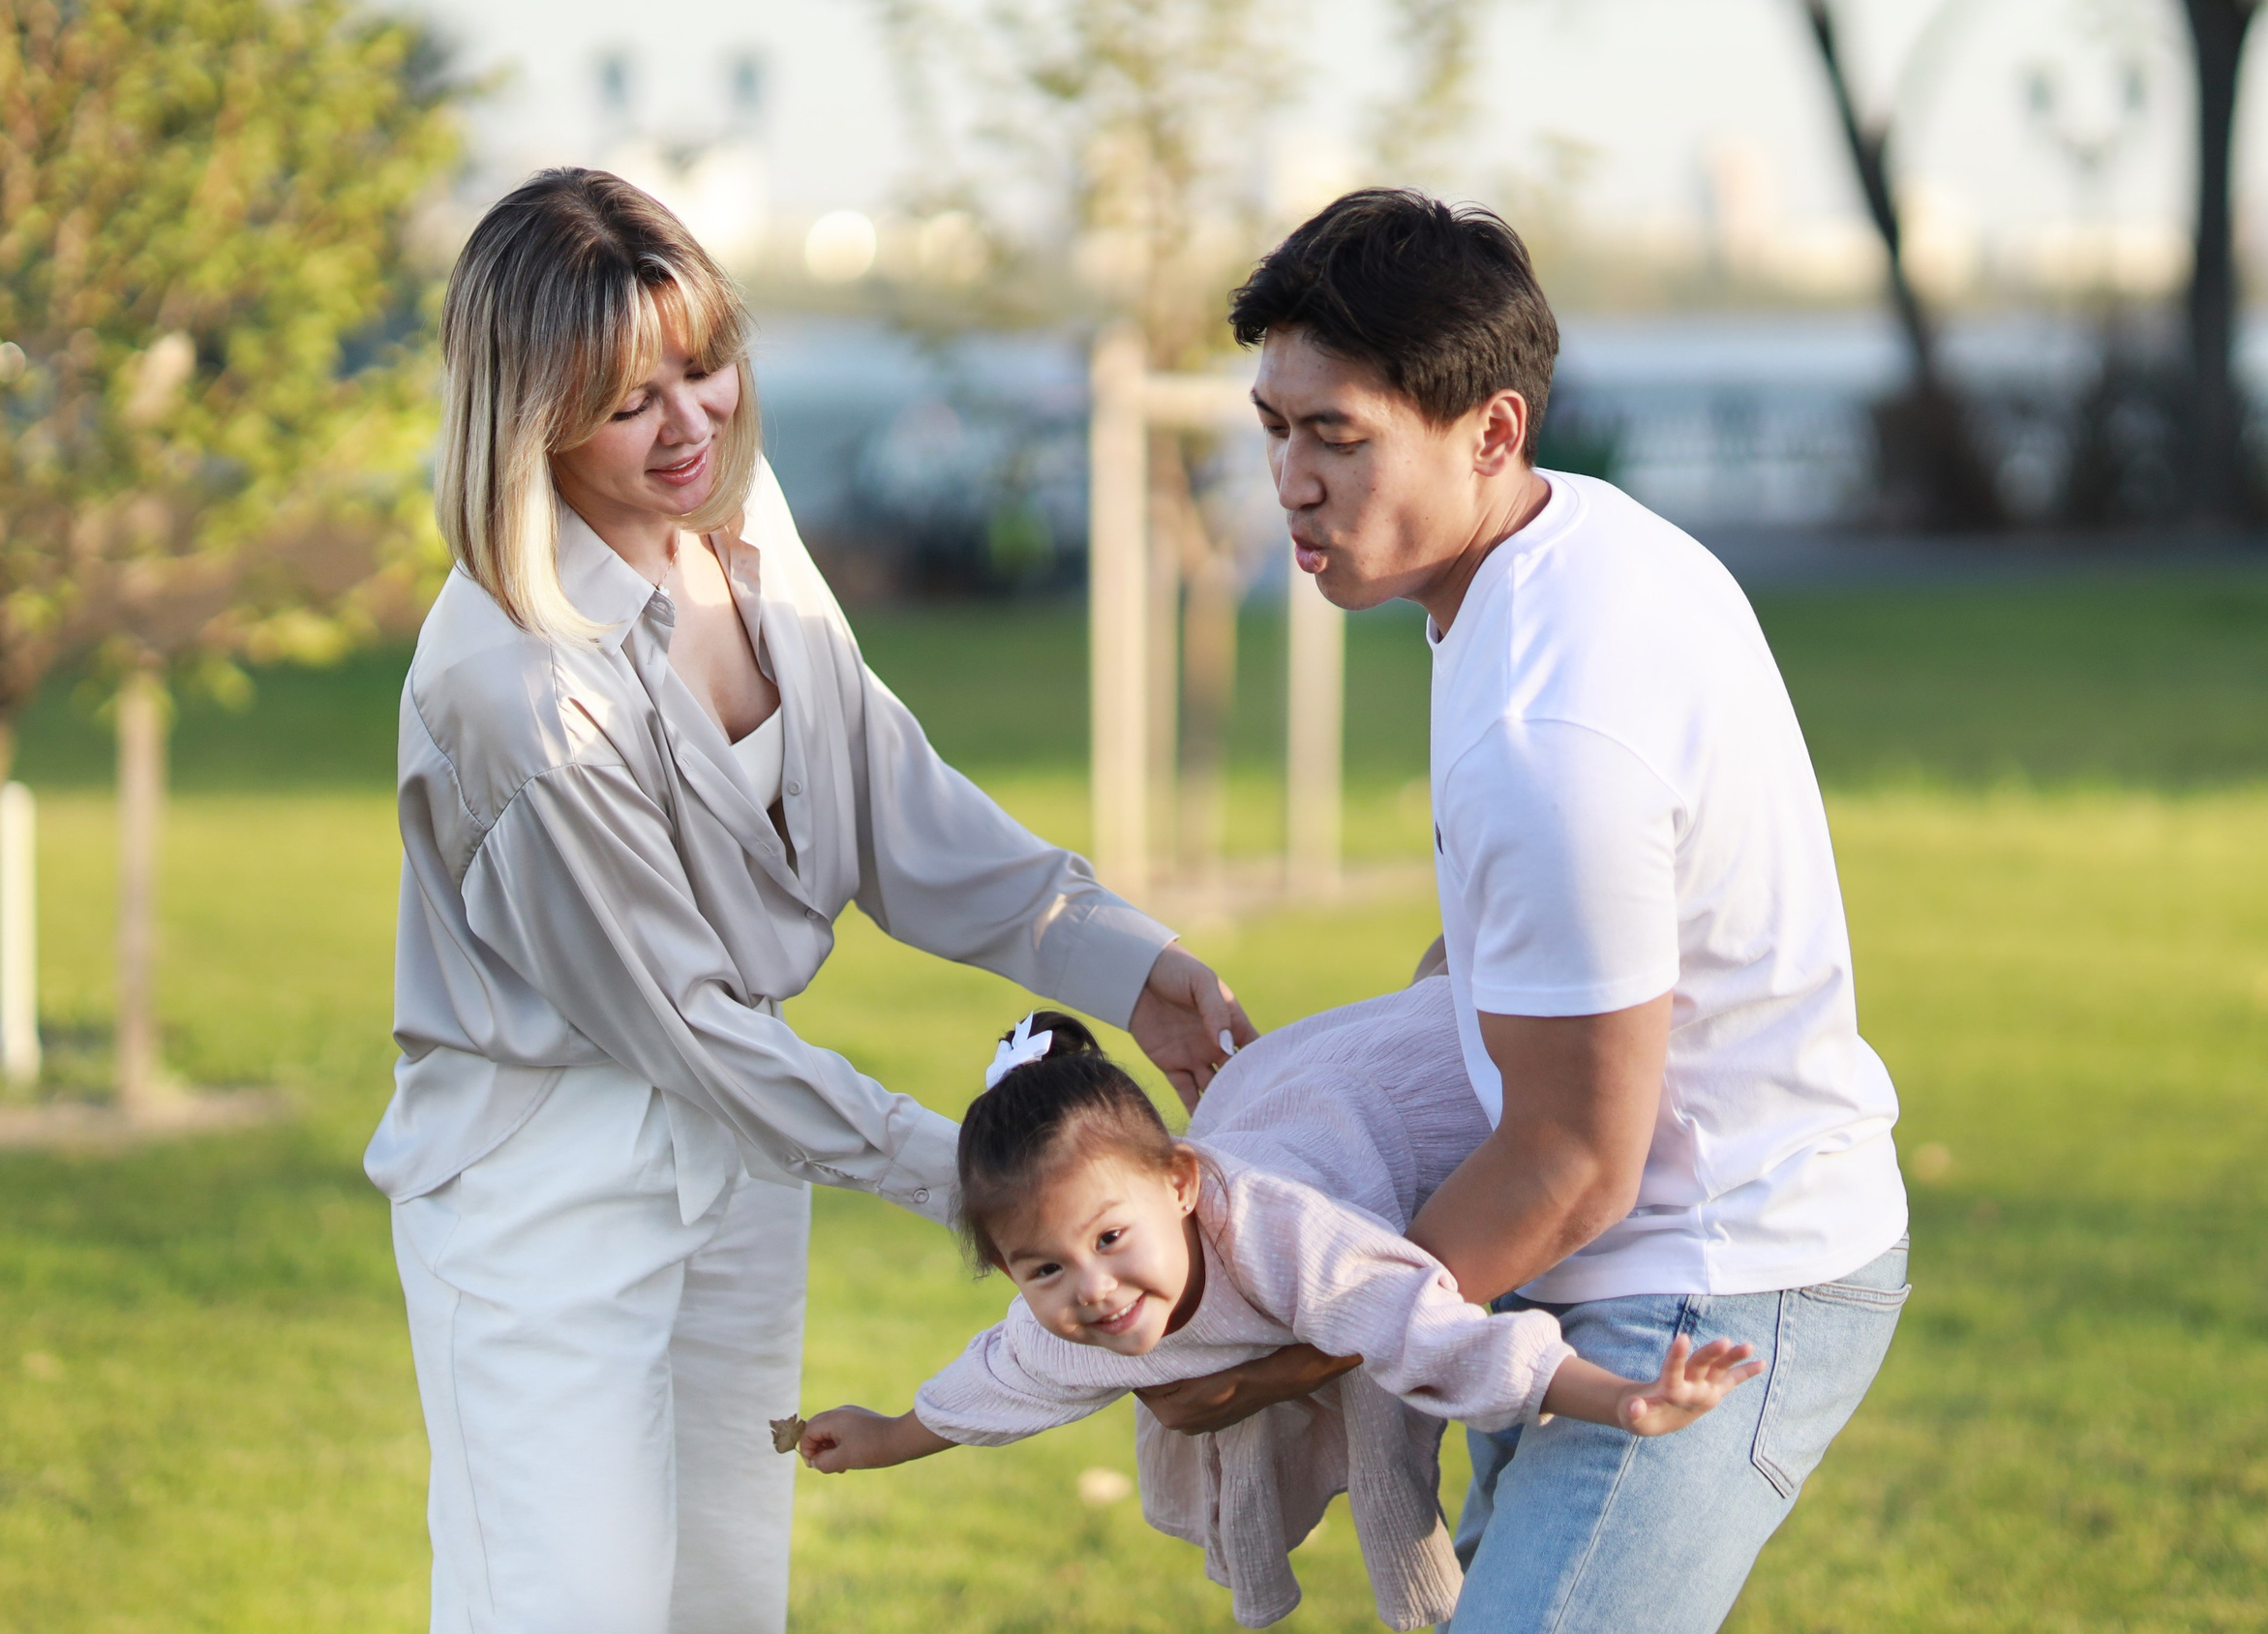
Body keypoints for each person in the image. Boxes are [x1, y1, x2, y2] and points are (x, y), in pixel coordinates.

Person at [371, 168, 1252, 1634]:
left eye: (706, 366)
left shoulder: (736, 518)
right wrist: (980, 1176)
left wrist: (1128, 961)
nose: (691, 423)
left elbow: (888, 796)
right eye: (627, 396)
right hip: (547, 1183)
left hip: (743, 1162)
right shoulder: (515, 686)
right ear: (527, 410)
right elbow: (691, 1031)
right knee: (566, 1605)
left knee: (726, 1594)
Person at [1137, 188, 1913, 1633]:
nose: (1290, 482)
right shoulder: (1556, 554)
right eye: (1275, 428)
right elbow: (1508, 963)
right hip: (1603, 1269)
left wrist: (1302, 1341)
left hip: (1711, 1282)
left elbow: (1568, 1160)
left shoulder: (1552, 725)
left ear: (1492, 430)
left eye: (1338, 436)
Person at [796, 1011, 1762, 1630]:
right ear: (1008, 1269)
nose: (1089, 1286)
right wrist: (883, 1435)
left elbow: (1433, 1331)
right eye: (1044, 1266)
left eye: (1109, 1236)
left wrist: (1626, 1398)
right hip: (1284, 1104)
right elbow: (994, 1380)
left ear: (1180, 1183)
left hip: (1399, 1090)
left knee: (1471, 1006)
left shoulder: (1286, 1238)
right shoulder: (1060, 1319)